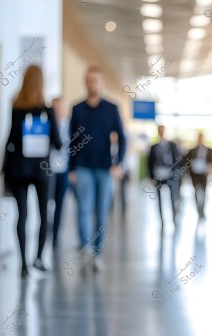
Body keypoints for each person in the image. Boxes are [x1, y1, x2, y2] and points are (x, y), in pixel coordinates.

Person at [2, 65, 62, 277]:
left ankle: (23, 265)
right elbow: (58, 142)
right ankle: (38, 257)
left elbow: (10, 139)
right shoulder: (47, 111)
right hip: (41, 170)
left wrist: (3, 168)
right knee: (44, 214)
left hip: (19, 169)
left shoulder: (16, 108)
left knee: (22, 215)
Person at [68, 65, 126, 271]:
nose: (93, 84)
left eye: (96, 81)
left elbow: (122, 137)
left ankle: (98, 253)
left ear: (101, 83)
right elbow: (72, 143)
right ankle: (86, 248)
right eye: (89, 80)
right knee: (83, 209)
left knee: (101, 213)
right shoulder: (77, 109)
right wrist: (71, 169)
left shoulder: (112, 109)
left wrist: (118, 163)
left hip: (104, 169)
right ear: (85, 82)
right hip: (83, 168)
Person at [147, 125, 182, 227]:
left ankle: (173, 217)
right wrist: (151, 178)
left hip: (170, 175)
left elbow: (177, 159)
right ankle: (162, 220)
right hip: (158, 175)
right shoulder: (154, 147)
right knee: (159, 199)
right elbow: (150, 163)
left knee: (172, 197)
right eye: (159, 130)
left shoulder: (172, 145)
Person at [48, 97, 70, 249]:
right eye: (54, 108)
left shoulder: (70, 126)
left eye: (59, 108)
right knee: (46, 204)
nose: (57, 111)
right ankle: (45, 234)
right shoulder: (47, 125)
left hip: (64, 171)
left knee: (59, 204)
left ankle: (55, 236)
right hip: (48, 171)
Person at [182, 132, 212, 219]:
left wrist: (209, 167)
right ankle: (198, 209)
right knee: (196, 191)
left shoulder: (209, 150)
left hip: (204, 174)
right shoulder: (192, 151)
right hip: (195, 174)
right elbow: (185, 161)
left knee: (204, 191)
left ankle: (202, 209)